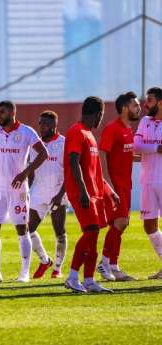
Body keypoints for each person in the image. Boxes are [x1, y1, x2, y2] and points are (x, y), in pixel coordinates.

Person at [0, 101, 48, 284]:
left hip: (18, 189)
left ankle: (24, 273)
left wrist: (25, 173)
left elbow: (43, 153)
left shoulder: (26, 132)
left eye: (2, 112)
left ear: (13, 112)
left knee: (22, 229)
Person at [63, 96, 118, 293]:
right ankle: (72, 276)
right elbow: (73, 162)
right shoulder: (77, 132)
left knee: (94, 236)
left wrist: (108, 191)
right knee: (91, 231)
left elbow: (94, 171)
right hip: (82, 193)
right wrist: (83, 191)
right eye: (101, 116)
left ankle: (89, 280)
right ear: (98, 114)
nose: (100, 120)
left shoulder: (90, 135)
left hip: (95, 194)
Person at [97, 92, 141, 281]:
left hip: (126, 184)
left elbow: (125, 154)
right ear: (125, 108)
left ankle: (113, 266)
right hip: (115, 185)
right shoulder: (112, 128)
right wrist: (108, 185)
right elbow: (102, 154)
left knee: (121, 225)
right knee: (120, 222)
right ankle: (104, 264)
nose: (138, 109)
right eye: (135, 105)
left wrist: (151, 156)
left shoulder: (128, 129)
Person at [27, 111, 69, 279]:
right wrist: (26, 191)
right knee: (27, 229)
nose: (41, 127)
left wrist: (61, 194)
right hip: (38, 193)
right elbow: (31, 170)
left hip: (57, 192)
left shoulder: (64, 143)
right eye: (40, 123)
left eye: (45, 124)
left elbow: (70, 172)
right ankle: (45, 260)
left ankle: (57, 269)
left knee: (59, 230)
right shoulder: (35, 144)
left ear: (54, 125)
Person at [134, 87, 162, 279]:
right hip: (147, 181)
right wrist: (157, 147)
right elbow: (136, 146)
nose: (145, 104)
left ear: (160, 102)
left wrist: (148, 148)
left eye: (149, 100)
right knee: (149, 225)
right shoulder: (144, 121)